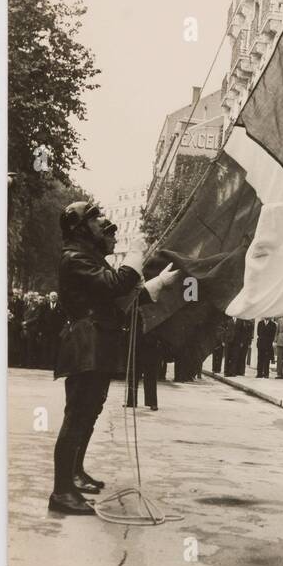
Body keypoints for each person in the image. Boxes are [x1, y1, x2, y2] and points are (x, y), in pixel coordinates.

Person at [49, 199, 178, 515]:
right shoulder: (74, 257)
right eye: (94, 220)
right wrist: (135, 253)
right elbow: (116, 284)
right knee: (77, 416)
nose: (101, 224)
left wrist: (158, 284)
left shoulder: (87, 257)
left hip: (97, 342)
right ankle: (61, 491)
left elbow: (120, 299)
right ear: (78, 227)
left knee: (88, 413)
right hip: (86, 342)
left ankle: (72, 478)